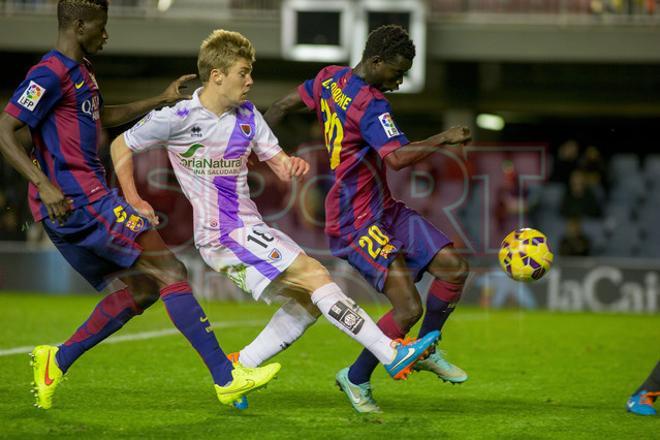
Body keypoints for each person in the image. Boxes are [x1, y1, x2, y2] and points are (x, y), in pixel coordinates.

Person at [110, 29, 441, 409]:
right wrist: (133, 197)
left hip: (249, 228)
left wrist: (289, 165)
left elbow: (277, 160)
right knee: (316, 276)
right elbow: (122, 143)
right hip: (222, 233)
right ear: (217, 75)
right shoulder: (179, 117)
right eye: (243, 72)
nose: (250, 81)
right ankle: (389, 353)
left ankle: (241, 366)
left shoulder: (248, 116)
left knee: (309, 303)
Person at [0, 0, 280, 410]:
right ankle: (227, 376)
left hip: (86, 197)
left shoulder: (82, 75)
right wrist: (42, 184)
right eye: (100, 26)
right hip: (76, 199)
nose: (106, 35)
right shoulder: (50, 72)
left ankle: (55, 361)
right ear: (79, 25)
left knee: (146, 287)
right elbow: (6, 129)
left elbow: (98, 119)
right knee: (171, 269)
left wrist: (158, 100)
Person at [264, 24, 472, 413]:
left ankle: (425, 349)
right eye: (396, 72)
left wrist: (259, 151)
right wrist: (442, 139)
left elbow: (279, 107)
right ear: (376, 61)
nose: (399, 81)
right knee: (408, 308)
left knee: (454, 268)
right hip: (355, 219)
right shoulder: (372, 104)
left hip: (383, 208)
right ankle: (355, 377)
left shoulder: (330, 78)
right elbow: (396, 158)